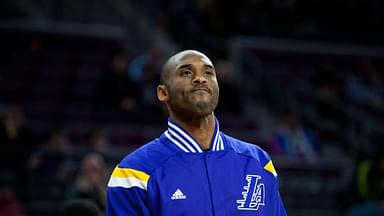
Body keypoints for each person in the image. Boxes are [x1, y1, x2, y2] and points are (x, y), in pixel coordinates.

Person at [106, 50, 287, 215]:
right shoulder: (133, 173)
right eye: (186, 73)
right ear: (163, 92)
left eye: (208, 73)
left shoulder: (258, 161)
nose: (200, 79)